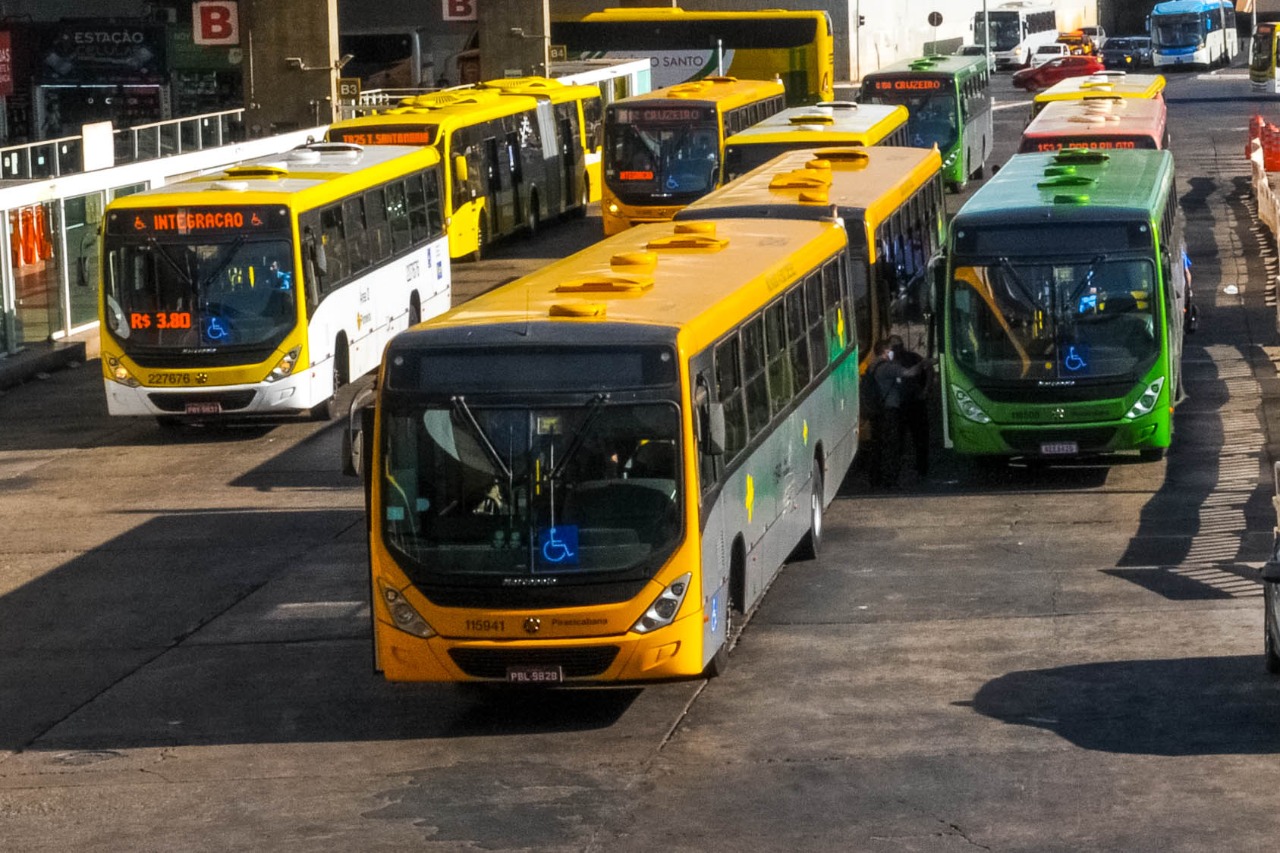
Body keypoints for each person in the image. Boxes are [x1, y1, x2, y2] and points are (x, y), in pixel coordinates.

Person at [889, 334, 933, 479]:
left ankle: (917, 468)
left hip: (910, 403)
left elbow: (928, 369)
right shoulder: (907, 358)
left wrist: (925, 390)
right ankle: (916, 468)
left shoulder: (905, 358)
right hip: (905, 403)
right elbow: (928, 369)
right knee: (912, 437)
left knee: (913, 437)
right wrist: (926, 390)